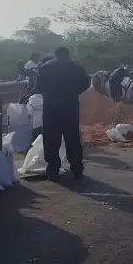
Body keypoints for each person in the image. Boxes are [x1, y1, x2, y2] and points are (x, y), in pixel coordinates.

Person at [35, 46, 91, 180]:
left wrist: (49, 94)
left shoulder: (46, 67)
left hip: (51, 108)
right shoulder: (76, 66)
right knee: (72, 138)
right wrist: (73, 93)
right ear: (68, 54)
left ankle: (53, 170)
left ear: (56, 54)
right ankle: (76, 168)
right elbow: (86, 83)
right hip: (70, 107)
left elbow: (38, 86)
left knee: (51, 139)